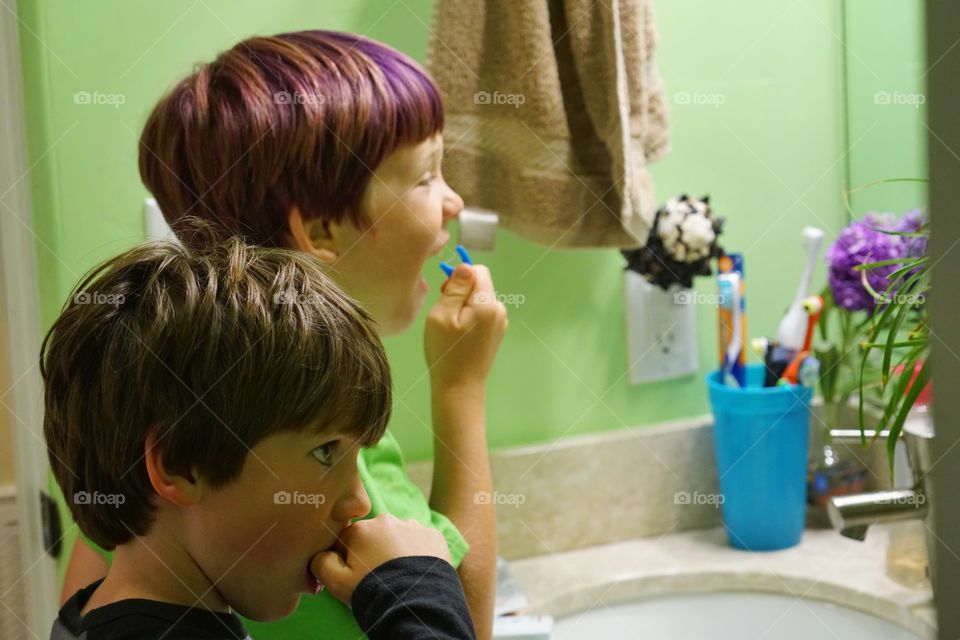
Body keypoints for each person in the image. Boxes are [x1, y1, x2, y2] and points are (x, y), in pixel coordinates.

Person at [59, 30, 508, 639]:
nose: (453, 201)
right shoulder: (320, 447)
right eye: (426, 176)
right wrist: (461, 388)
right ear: (321, 229)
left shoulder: (151, 392)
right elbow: (461, 623)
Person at [44, 235, 477, 639]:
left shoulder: (90, 618)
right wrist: (419, 593)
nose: (358, 504)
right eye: (325, 451)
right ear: (179, 464)